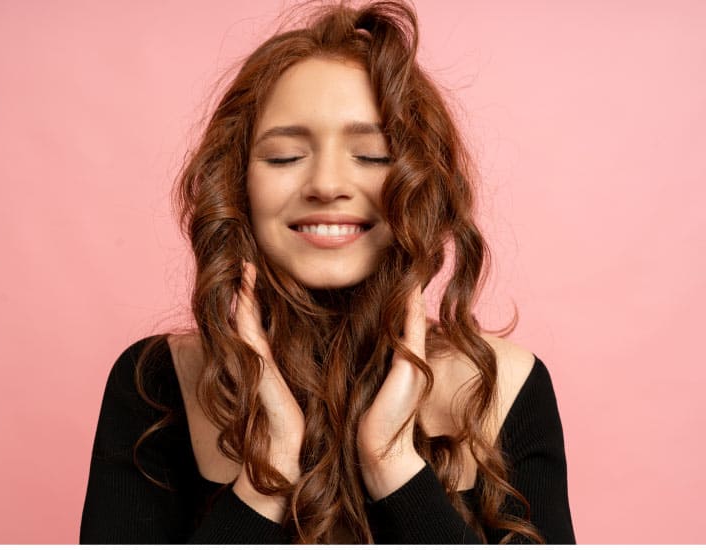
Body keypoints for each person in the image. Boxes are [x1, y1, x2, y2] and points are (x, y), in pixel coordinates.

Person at [80, 0, 575, 544]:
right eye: (285, 157)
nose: (326, 184)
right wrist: (266, 478)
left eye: (371, 154)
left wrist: (393, 466)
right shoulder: (155, 383)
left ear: (421, 183)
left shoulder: (507, 385)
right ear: (236, 186)